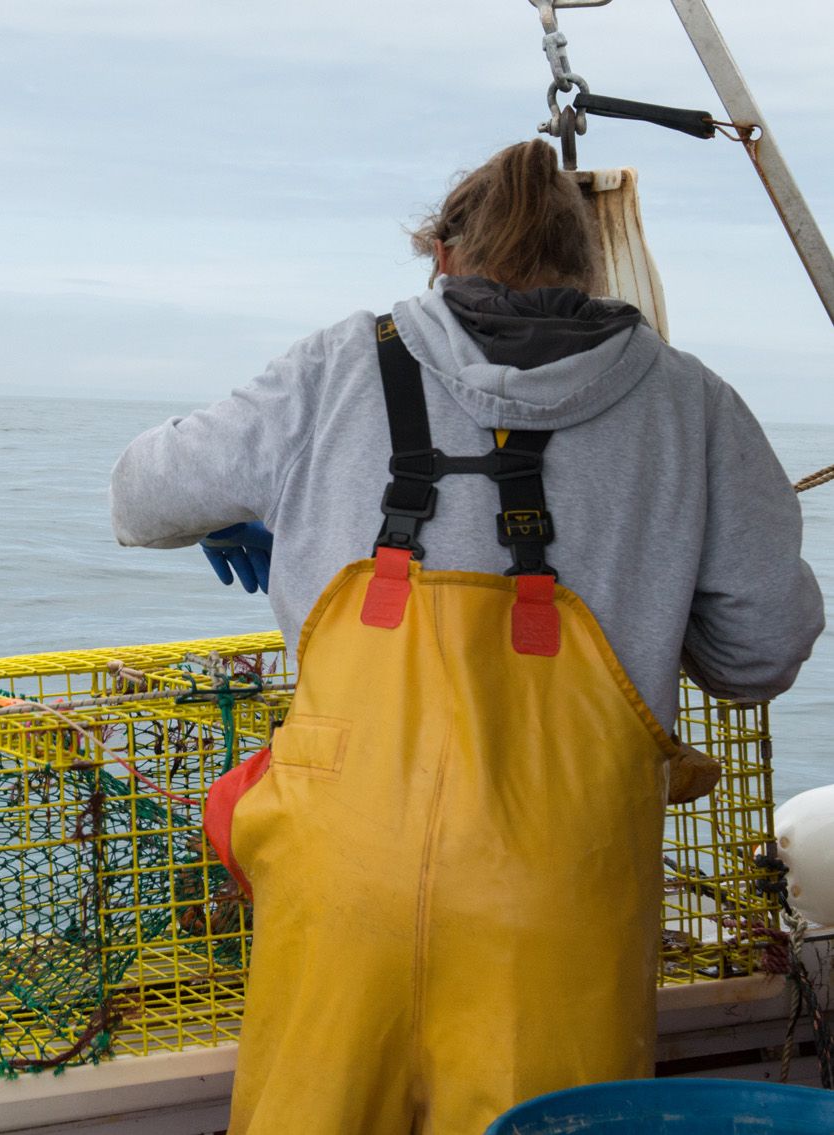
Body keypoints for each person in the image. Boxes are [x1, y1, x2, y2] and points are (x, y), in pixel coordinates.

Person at [109, 138, 822, 1134]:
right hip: (561, 889)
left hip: (340, 880)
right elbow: (757, 656)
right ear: (584, 267)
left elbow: (140, 494)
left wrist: (241, 508)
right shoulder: (692, 403)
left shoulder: (330, 366)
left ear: (439, 255)